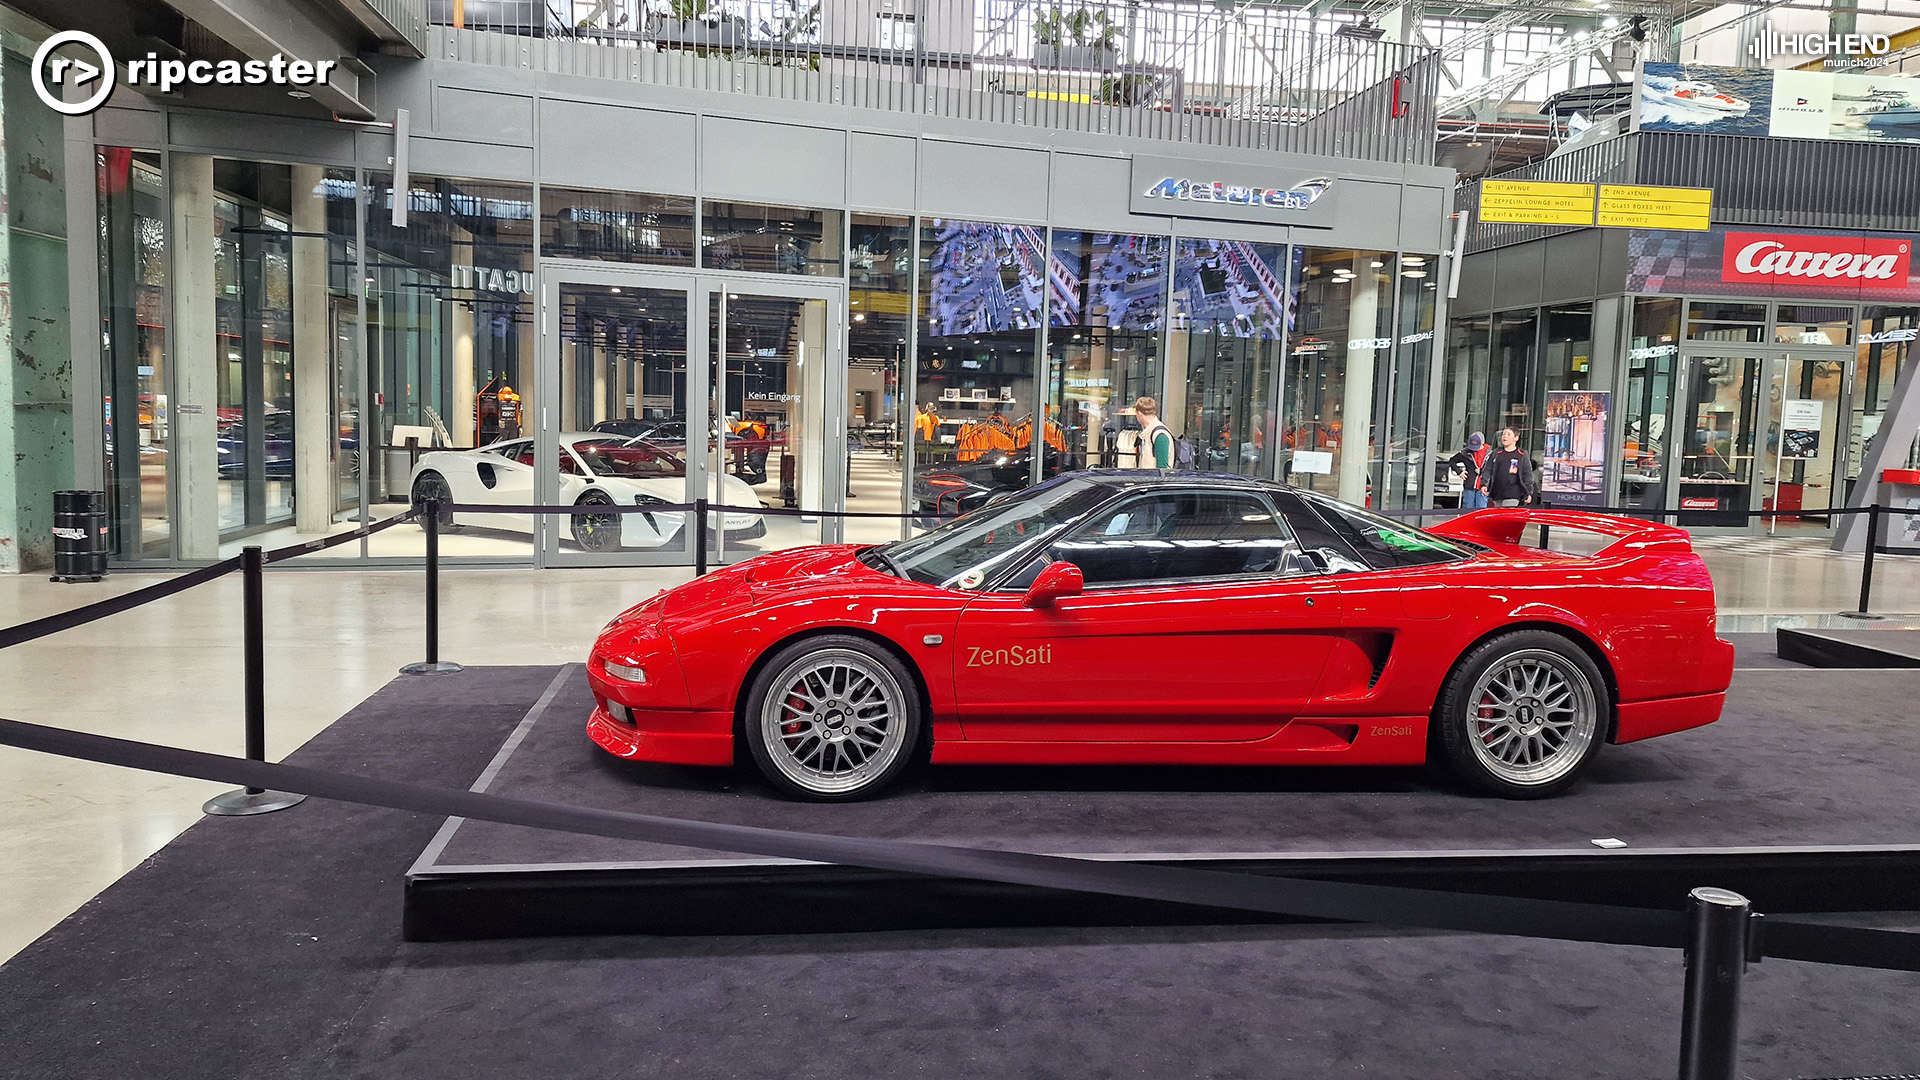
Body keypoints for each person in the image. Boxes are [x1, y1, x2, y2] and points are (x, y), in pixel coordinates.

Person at [1480, 426, 1534, 507]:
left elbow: (1527, 474)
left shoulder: (1521, 454)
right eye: (1503, 434)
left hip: (1513, 492)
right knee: (1498, 516)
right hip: (1497, 492)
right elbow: (1488, 469)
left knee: (1507, 512)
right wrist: (1484, 484)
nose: (1504, 436)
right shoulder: (1496, 453)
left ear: (1516, 438)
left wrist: (1528, 492)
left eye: (1508, 434)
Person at [1446, 431, 1492, 510]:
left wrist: (1482, 472)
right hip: (1469, 485)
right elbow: (1452, 461)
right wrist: (1459, 472)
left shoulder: (1490, 454)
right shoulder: (1465, 452)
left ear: (1482, 443)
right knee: (1468, 510)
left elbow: (1493, 469)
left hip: (1483, 486)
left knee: (1481, 510)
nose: (1474, 449)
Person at [1134, 396, 1174, 470]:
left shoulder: (1159, 435)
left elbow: (1162, 468)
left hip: (1153, 480)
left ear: (1139, 414)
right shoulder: (1150, 432)